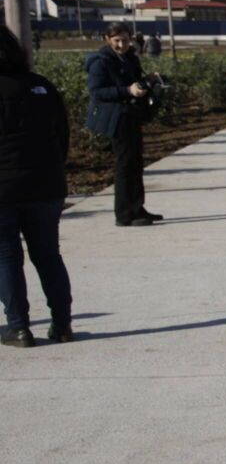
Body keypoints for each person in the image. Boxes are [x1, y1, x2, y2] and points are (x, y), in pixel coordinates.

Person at [0, 21, 74, 346]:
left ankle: (18, 328)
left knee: (6, 258)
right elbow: (62, 135)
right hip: (46, 184)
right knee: (48, 255)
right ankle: (62, 324)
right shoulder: (41, 86)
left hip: (3, 189)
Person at [85, 23, 161, 227]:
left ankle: (138, 207)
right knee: (125, 165)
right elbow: (97, 91)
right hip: (117, 118)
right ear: (107, 40)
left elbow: (134, 82)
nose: (121, 45)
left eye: (125, 40)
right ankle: (124, 213)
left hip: (131, 115)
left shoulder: (130, 58)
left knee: (135, 163)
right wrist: (128, 91)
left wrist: (148, 80)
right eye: (116, 41)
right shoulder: (100, 62)